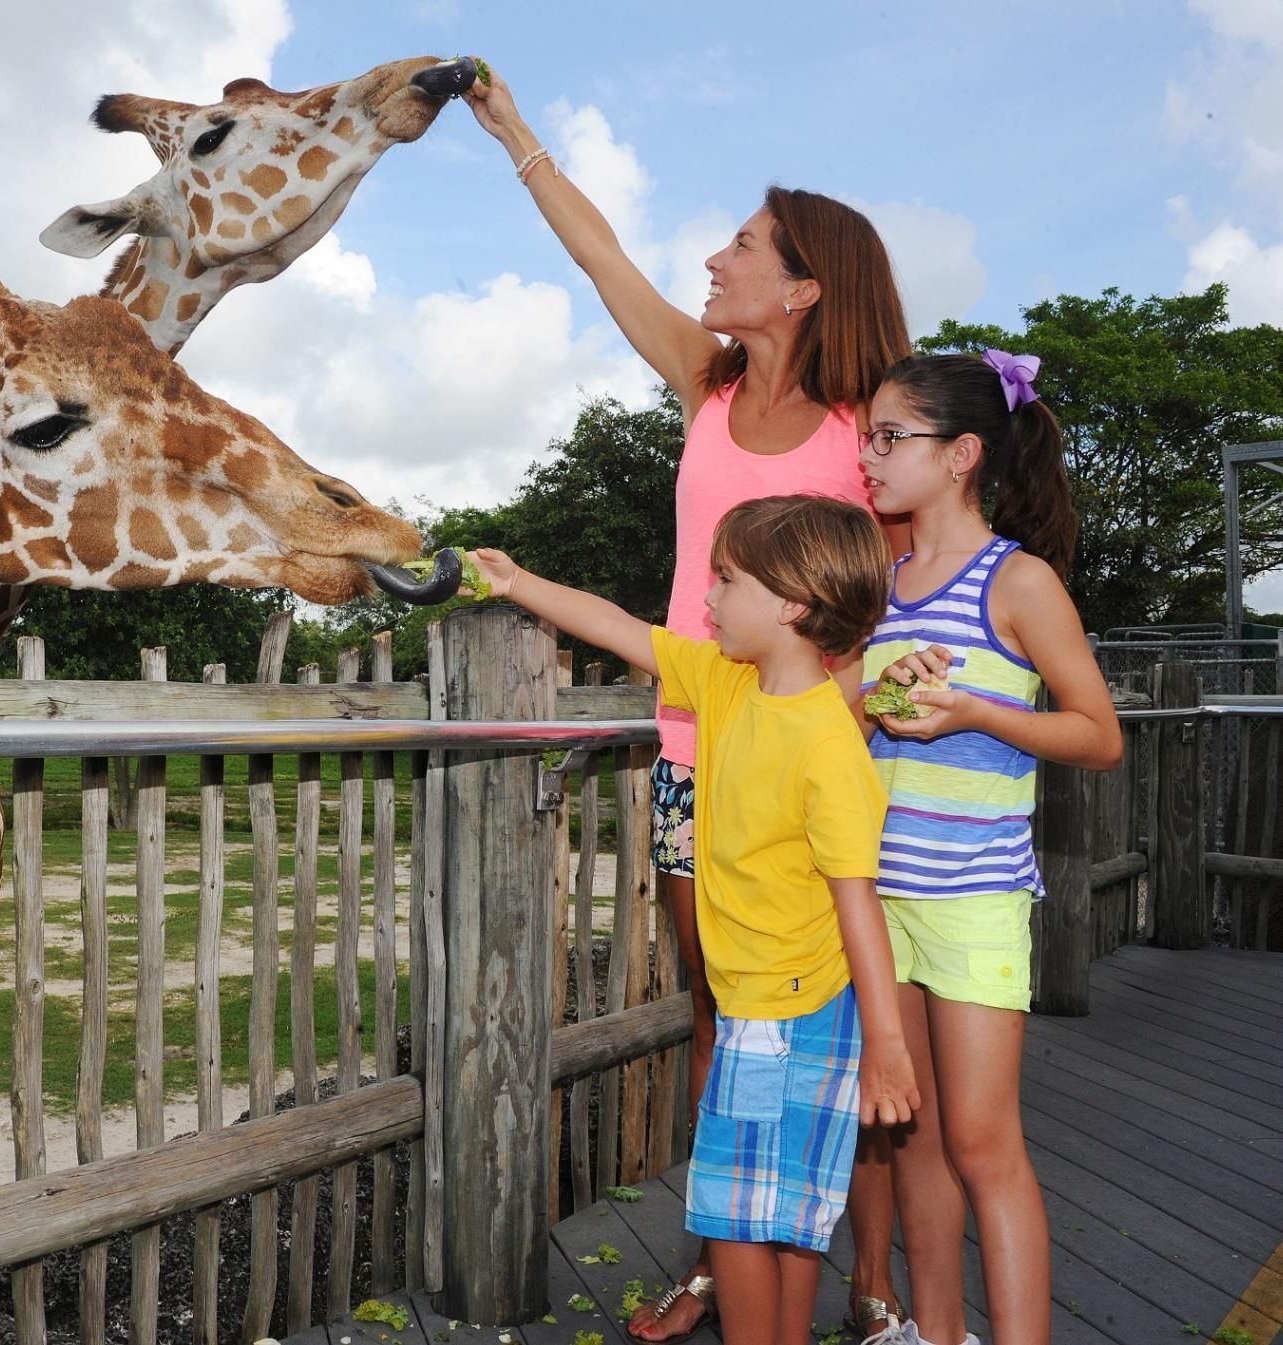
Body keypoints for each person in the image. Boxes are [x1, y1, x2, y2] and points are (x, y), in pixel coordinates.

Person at [463, 64, 914, 1342]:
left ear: (804, 285)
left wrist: (882, 700)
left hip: (807, 760)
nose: (714, 258)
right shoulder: (703, 382)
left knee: (828, 1026)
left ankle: (869, 1291)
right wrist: (516, 137)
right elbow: (603, 260)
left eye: (742, 244)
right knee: (724, 1016)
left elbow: (902, 578)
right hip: (688, 743)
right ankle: (725, 1273)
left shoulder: (858, 425)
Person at [472, 497, 920, 1345]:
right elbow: (620, 628)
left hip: (783, 1014)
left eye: (725, 579)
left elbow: (859, 904)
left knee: (738, 1219)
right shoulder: (725, 680)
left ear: (790, 603)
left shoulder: (827, 746)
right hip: (790, 1003)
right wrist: (517, 579)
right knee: (781, 1214)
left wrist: (888, 1051)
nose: (706, 597)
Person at [859, 352, 1122, 1345]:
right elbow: (844, 729)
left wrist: (970, 708)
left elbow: (1097, 735)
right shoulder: (876, 586)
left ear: (959, 454)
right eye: (867, 436)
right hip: (879, 902)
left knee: (981, 1143)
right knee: (915, 1138)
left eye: (890, 438)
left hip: (971, 898)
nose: (867, 455)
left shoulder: (1017, 582)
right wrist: (878, 704)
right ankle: (936, 1334)